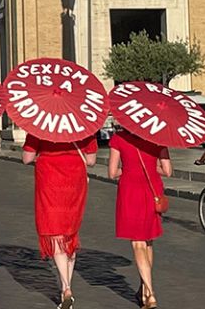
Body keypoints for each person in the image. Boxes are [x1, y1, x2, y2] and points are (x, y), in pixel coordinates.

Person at [22, 135, 97, 309]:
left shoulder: (40, 126)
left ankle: (67, 288)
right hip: (75, 182)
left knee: (54, 231)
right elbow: (91, 160)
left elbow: (27, 158)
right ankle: (65, 287)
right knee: (69, 232)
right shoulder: (83, 126)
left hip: (49, 181)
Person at [108, 130, 172, 309]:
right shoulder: (159, 137)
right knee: (148, 241)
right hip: (153, 191)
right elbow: (167, 170)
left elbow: (112, 173)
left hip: (130, 190)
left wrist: (127, 168)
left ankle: (150, 293)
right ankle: (143, 289)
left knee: (138, 243)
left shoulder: (119, 138)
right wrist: (152, 167)